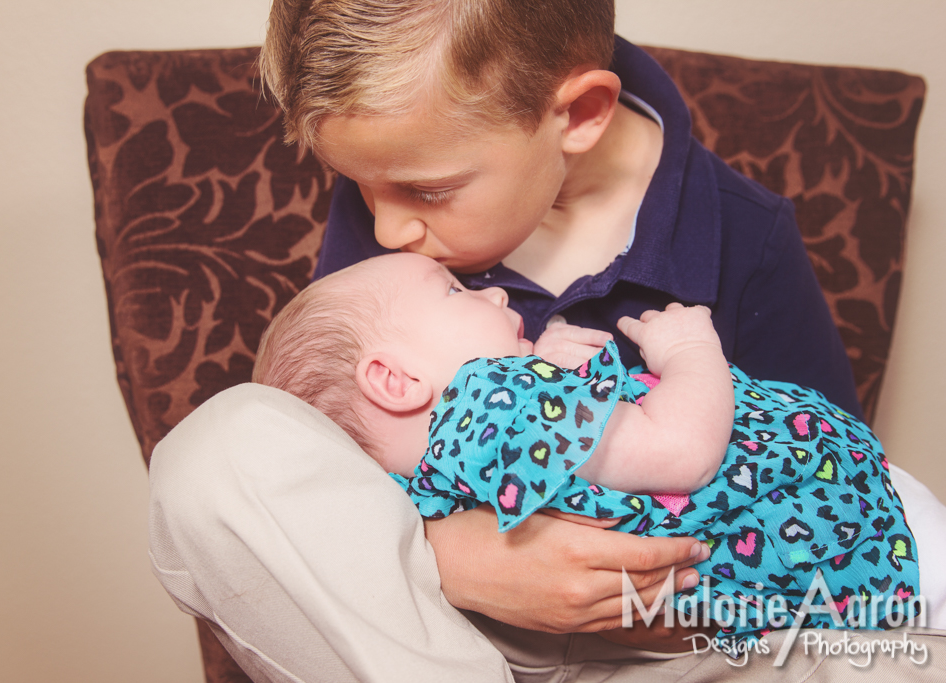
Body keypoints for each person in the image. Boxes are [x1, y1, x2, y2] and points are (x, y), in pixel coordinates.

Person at [259, 0, 866, 645]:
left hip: (700, 636)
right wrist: (448, 559)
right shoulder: (399, 173)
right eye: (355, 184)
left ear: (578, 114)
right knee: (205, 467)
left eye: (430, 192)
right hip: (465, 638)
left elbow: (834, 484)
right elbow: (321, 456)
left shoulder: (748, 236)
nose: (386, 230)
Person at [253, 251, 921, 645]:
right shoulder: (495, 401)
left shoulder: (422, 486)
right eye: (454, 290)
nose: (490, 289)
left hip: (808, 567)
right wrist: (691, 352)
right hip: (850, 519)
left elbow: (553, 473)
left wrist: (544, 369)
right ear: (394, 381)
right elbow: (683, 452)